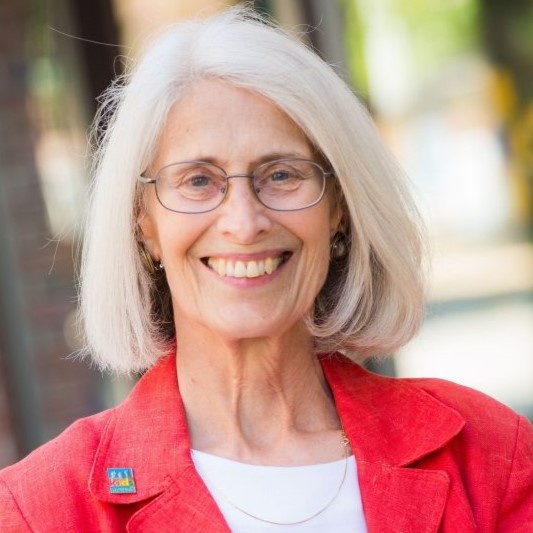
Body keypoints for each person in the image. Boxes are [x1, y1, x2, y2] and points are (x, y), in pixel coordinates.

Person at [1, 6, 532, 532]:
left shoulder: (488, 453)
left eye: (281, 174)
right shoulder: (40, 509)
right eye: (198, 180)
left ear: (338, 209)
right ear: (144, 223)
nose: (244, 221)